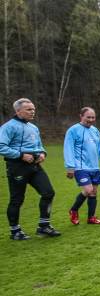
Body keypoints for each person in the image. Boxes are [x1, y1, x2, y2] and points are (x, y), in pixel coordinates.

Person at [0, 98, 61, 240]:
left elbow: (39, 146)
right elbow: (1, 146)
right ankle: (15, 231)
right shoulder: (8, 127)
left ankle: (44, 226)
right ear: (18, 111)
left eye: (33, 109)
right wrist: (20, 155)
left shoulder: (33, 127)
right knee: (17, 200)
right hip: (17, 167)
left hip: (34, 165)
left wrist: (42, 153)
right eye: (29, 109)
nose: (32, 111)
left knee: (48, 192)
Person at [64, 107, 100, 225]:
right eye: (88, 117)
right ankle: (73, 210)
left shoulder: (95, 130)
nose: (91, 119)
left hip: (94, 167)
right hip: (80, 167)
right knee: (88, 189)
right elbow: (68, 148)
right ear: (81, 116)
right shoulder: (73, 130)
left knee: (94, 192)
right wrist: (70, 167)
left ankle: (91, 218)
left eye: (93, 117)